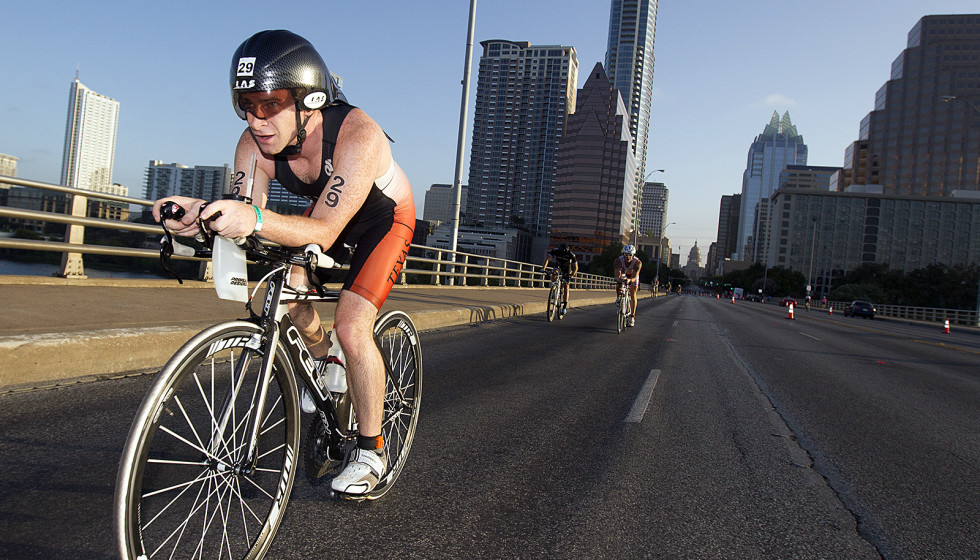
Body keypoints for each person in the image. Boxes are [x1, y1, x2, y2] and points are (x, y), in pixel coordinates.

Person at [152, 30, 415, 497]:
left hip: (382, 220)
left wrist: (252, 217)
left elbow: (324, 232)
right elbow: (246, 212)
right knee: (289, 288)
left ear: (308, 102)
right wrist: (200, 218)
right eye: (246, 104)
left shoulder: (358, 135)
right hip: (327, 215)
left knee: (354, 326)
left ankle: (372, 450)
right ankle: (323, 363)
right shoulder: (253, 146)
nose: (257, 120)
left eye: (270, 103)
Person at [542, 243, 578, 316]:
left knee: (566, 286)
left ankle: (564, 307)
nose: (562, 255)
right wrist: (543, 268)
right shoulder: (555, 251)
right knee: (554, 272)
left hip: (567, 268)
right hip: (558, 265)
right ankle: (553, 287)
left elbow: (576, 268)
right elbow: (548, 259)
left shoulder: (571, 255)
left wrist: (572, 275)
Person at [614, 244, 642, 327]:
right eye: (626, 255)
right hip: (624, 273)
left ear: (633, 255)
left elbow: (634, 276)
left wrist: (630, 280)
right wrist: (618, 279)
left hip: (633, 276)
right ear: (623, 254)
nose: (628, 257)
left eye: (630, 255)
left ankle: (632, 317)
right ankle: (619, 297)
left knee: (633, 294)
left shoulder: (637, 262)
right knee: (619, 282)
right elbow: (617, 274)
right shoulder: (618, 260)